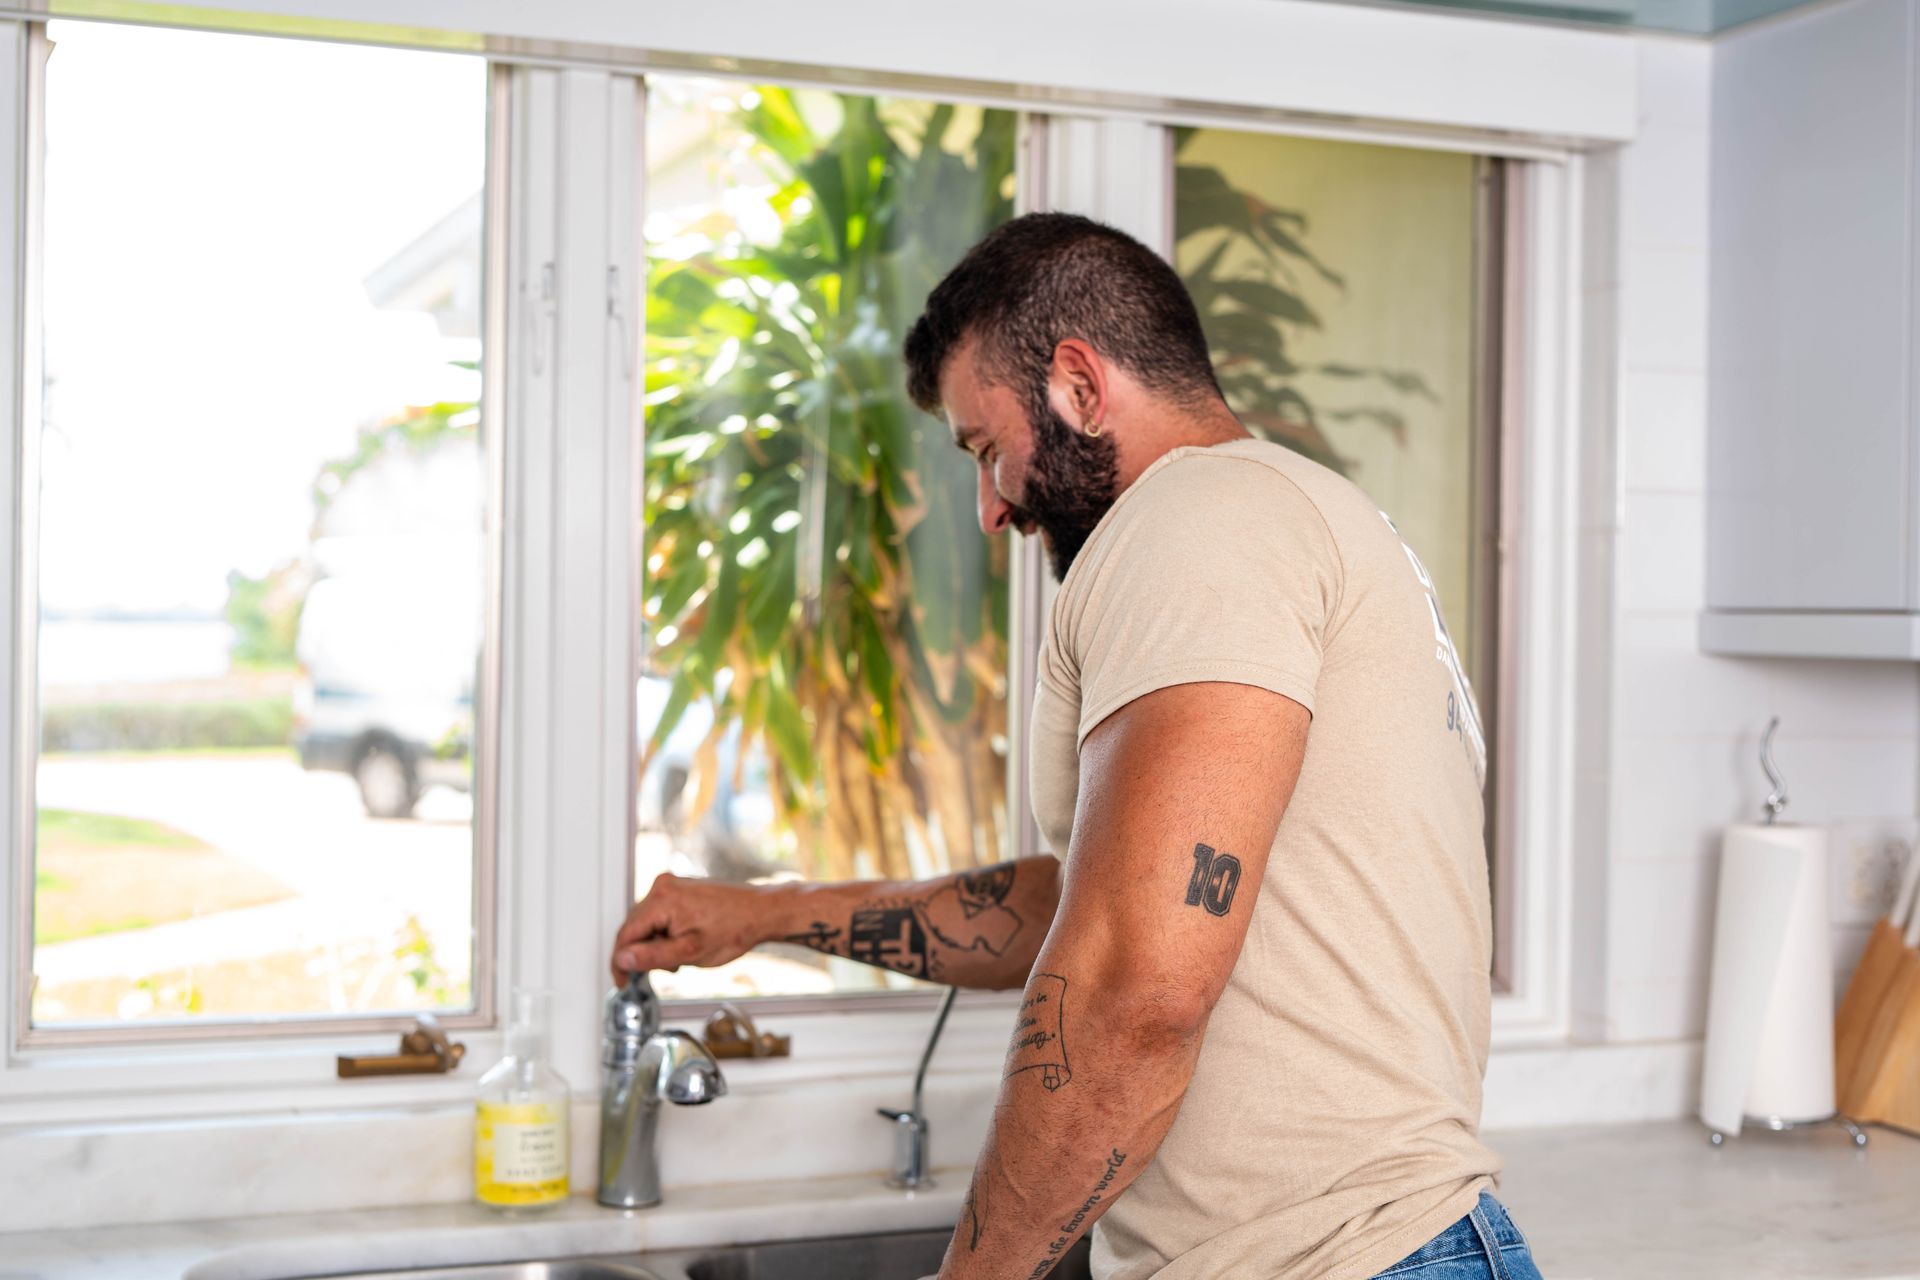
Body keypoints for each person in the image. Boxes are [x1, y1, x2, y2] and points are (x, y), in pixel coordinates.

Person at [611, 212, 1543, 1280]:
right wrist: (767, 911)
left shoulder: (1200, 518)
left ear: (1079, 385)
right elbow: (1094, 909)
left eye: (985, 446)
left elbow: (1132, 988)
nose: (989, 507)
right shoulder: (1281, 516)